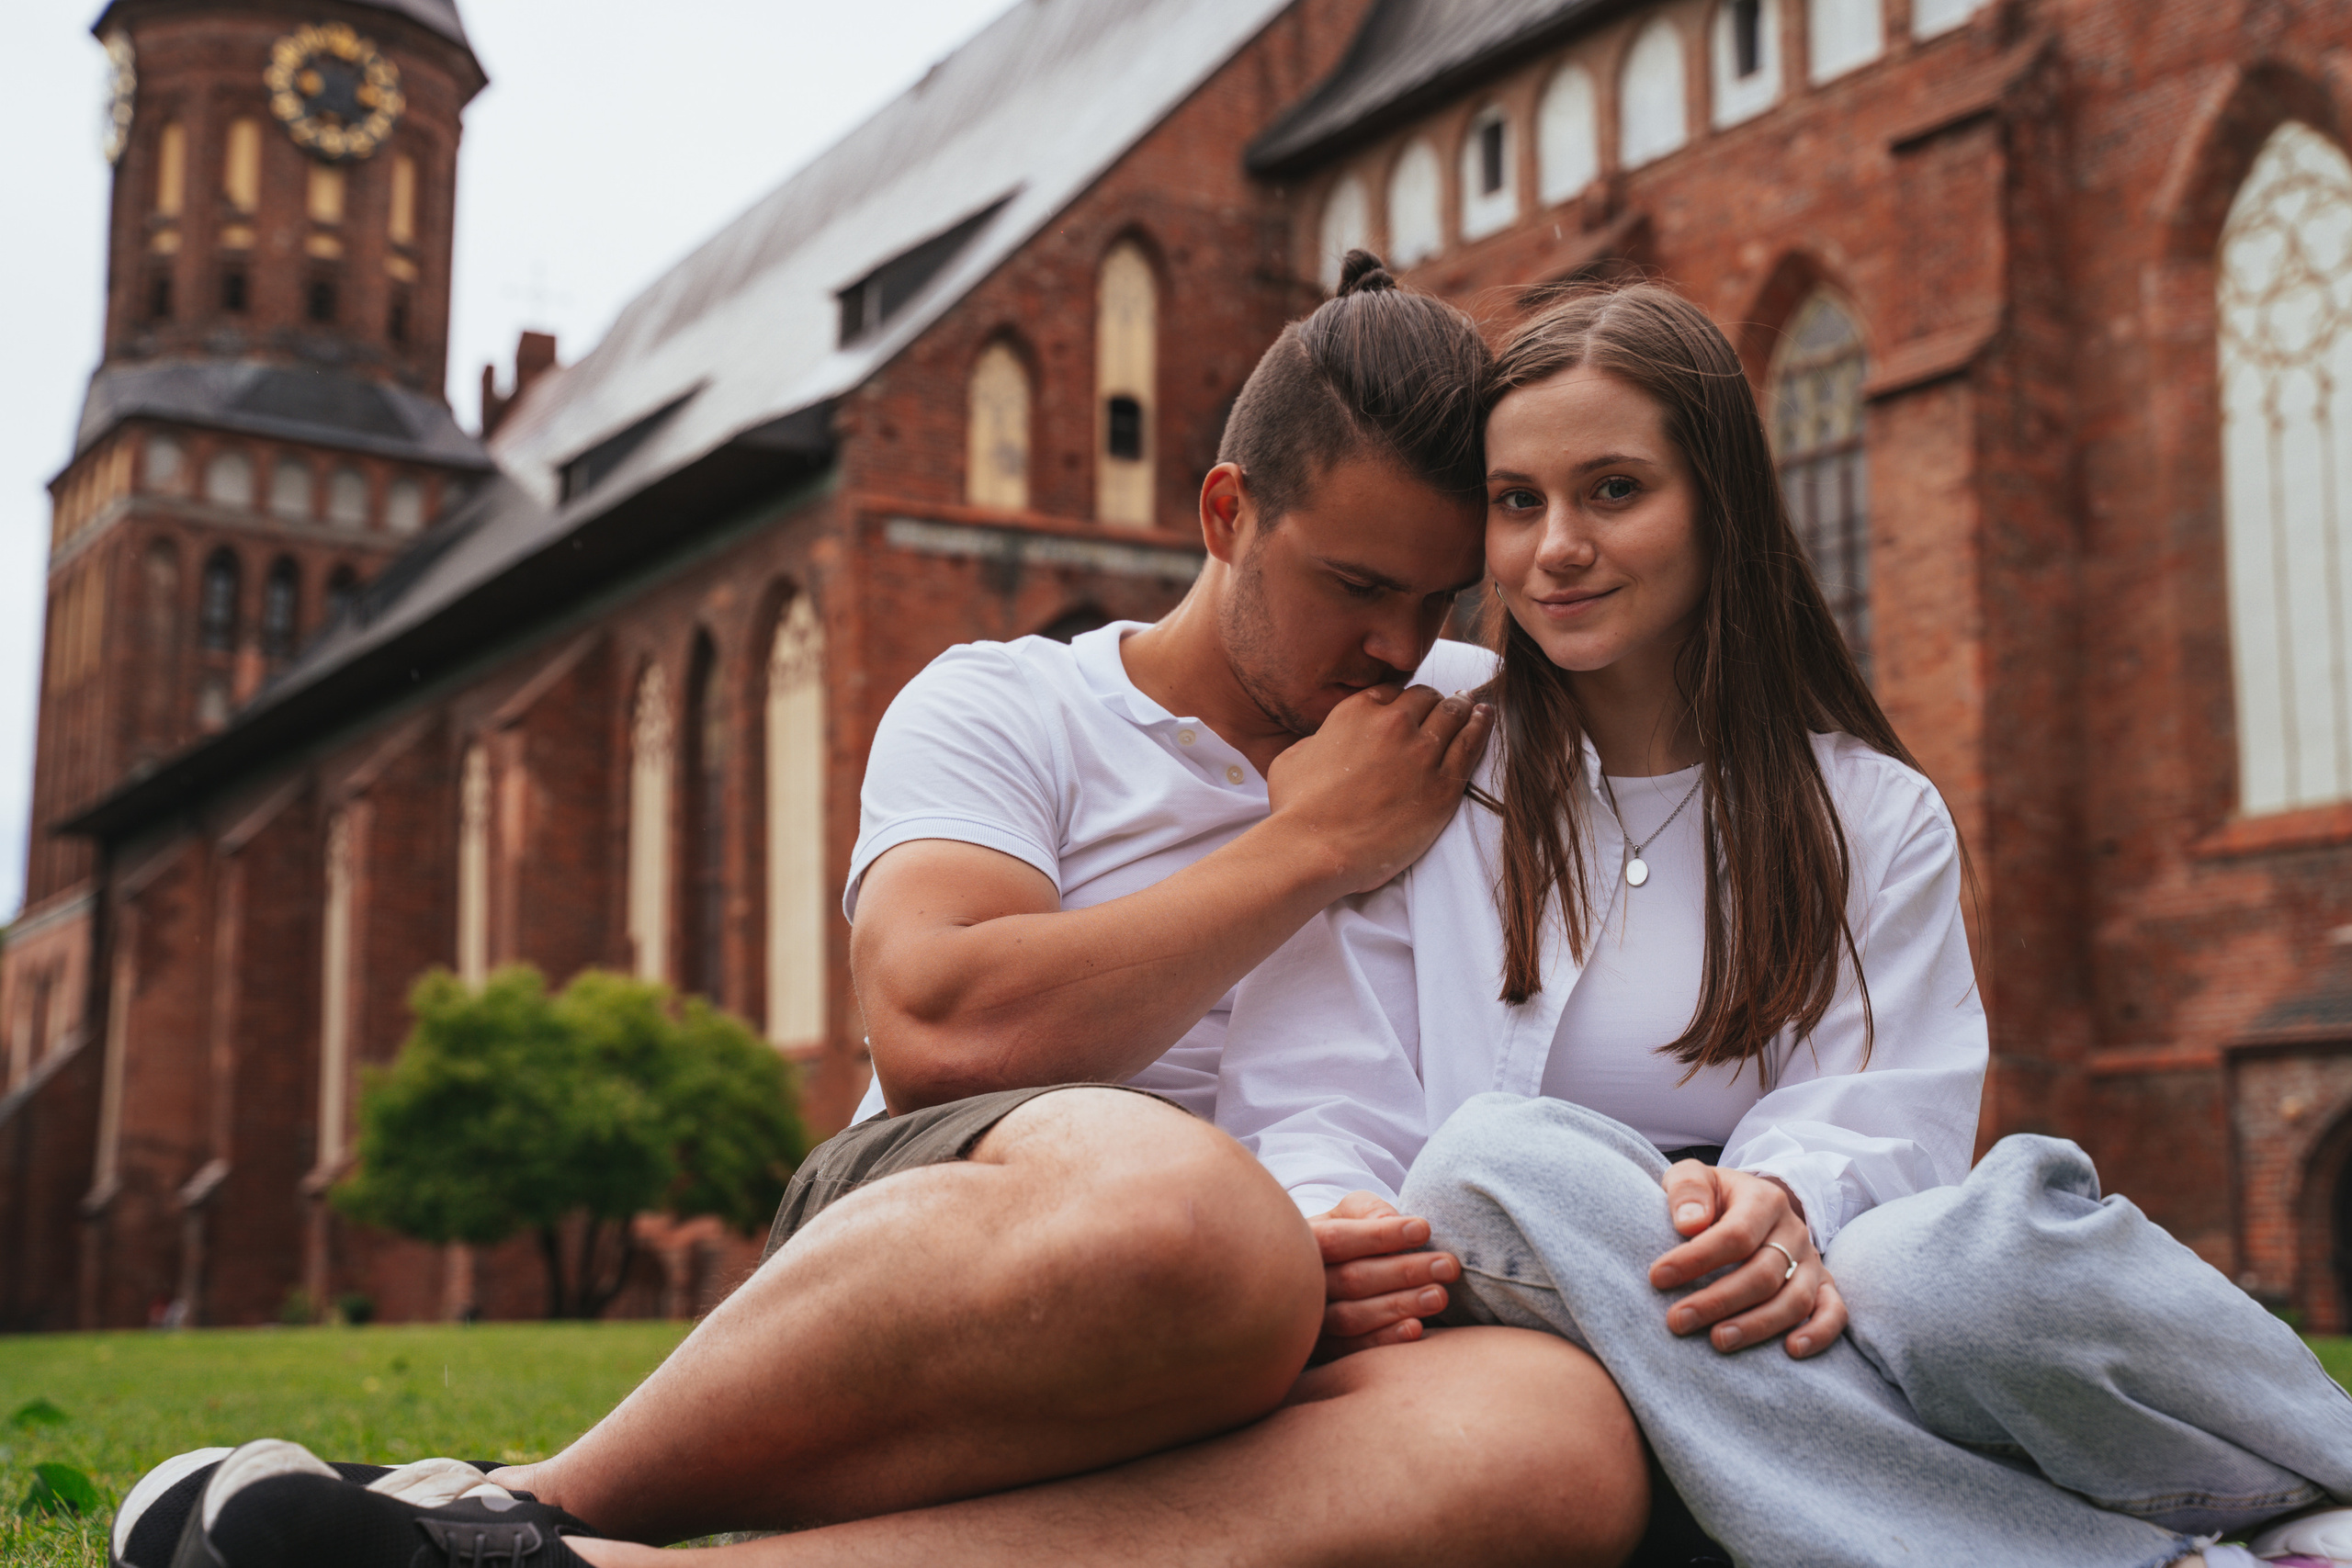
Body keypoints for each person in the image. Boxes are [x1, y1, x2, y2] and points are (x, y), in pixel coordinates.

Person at [114, 259, 1654, 1568]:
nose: (1398, 647)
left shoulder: (1471, 723)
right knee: (1198, 1230)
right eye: (1355, 585)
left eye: (1443, 604)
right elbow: (941, 1028)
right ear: (1227, 512)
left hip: (1311, 1308)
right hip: (963, 1239)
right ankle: (553, 1493)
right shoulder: (1009, 704)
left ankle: (529, 1557)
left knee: (1559, 1446)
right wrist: (1305, 848)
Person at [1215, 281, 2352, 1568]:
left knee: (1962, 1270)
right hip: (1518, 1286)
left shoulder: (1871, 813)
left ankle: (2314, 1495)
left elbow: (1893, 1104)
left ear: (1719, 506)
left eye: (1613, 491)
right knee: (1498, 1165)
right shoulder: (1425, 759)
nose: (1555, 547)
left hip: (1810, 1288)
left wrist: (1781, 1195)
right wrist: (1333, 1220)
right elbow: (1314, 1088)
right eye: (1517, 501)